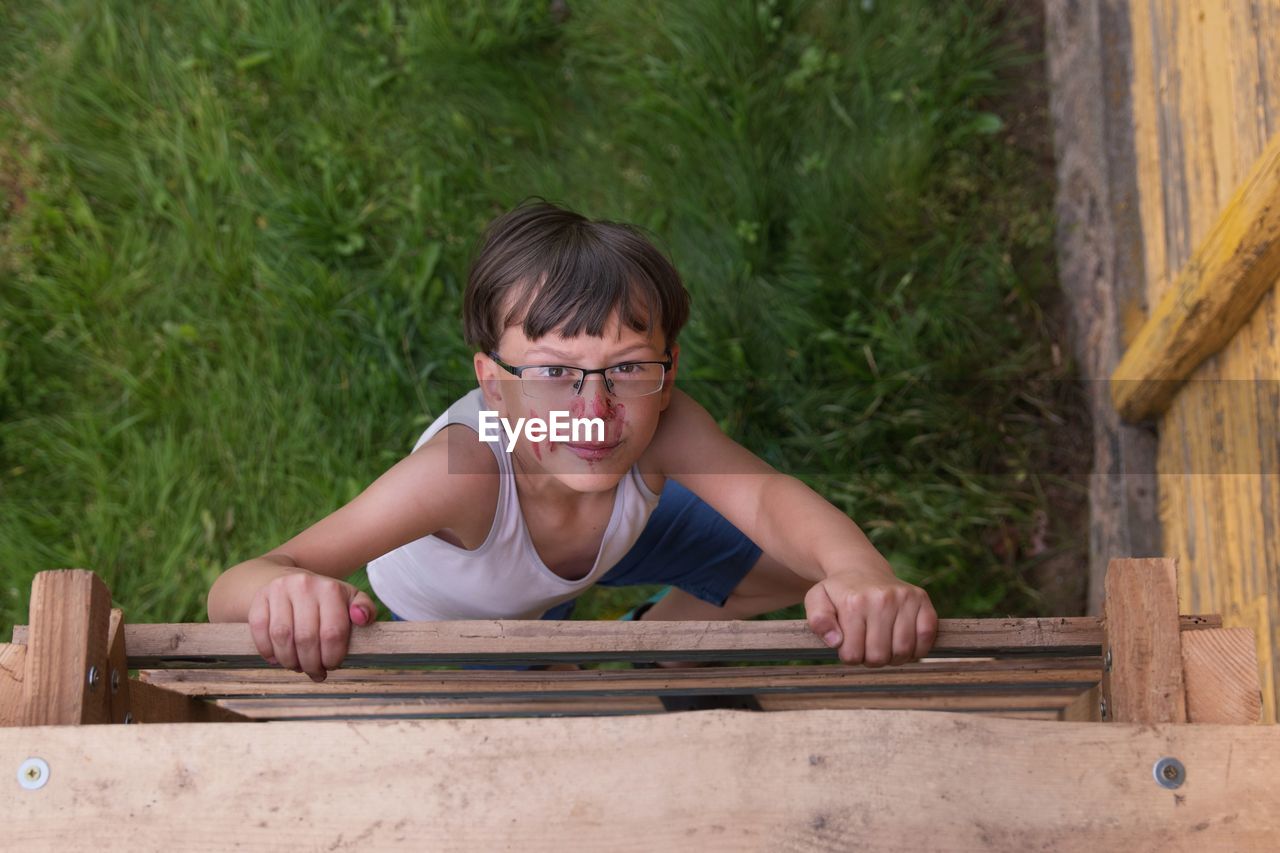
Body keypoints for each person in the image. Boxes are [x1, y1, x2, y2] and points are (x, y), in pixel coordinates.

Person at [207, 199, 938, 684]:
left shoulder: (664, 421)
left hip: (612, 539)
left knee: (795, 562)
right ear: (494, 384)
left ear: (669, 366)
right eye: (555, 373)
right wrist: (282, 593)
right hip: (478, 615)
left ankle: (653, 645)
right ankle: (565, 675)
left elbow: (771, 498)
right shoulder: (462, 471)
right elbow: (241, 582)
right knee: (541, 724)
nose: (594, 411)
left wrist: (859, 569)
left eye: (626, 368)